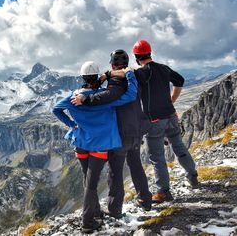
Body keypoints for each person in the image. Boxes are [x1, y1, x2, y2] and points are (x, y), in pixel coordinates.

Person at [52, 61, 137, 233]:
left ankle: (96, 213)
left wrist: (71, 123)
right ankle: (87, 223)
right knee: (91, 184)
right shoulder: (105, 97)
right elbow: (131, 95)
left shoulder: (72, 97)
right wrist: (130, 74)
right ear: (98, 77)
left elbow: (55, 109)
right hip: (100, 145)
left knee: (87, 180)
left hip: (81, 143)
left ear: (82, 77)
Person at [71, 50, 152, 219]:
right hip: (136, 130)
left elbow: (110, 95)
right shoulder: (134, 77)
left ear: (112, 64)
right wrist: (107, 75)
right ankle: (145, 200)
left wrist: (85, 99)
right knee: (136, 166)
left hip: (122, 134)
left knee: (115, 173)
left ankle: (115, 211)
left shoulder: (117, 80)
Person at [132, 39, 199, 203]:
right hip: (171, 116)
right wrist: (172, 100)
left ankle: (163, 191)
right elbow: (180, 81)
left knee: (157, 157)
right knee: (179, 147)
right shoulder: (163, 68)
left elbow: (128, 76)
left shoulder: (141, 73)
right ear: (149, 53)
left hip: (154, 121)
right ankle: (193, 176)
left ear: (136, 56)